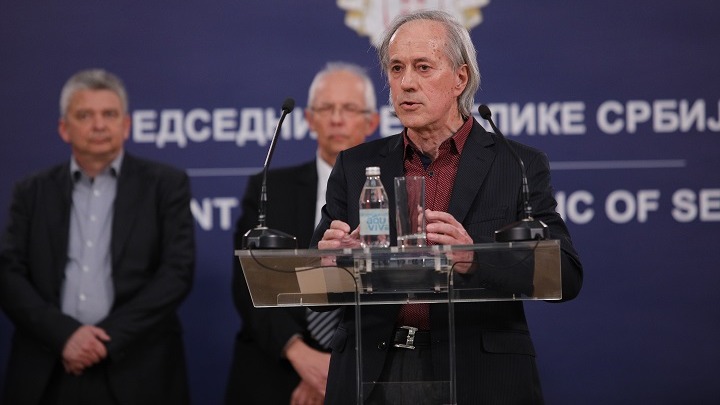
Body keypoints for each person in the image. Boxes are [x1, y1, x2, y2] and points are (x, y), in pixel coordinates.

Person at [312, 10, 584, 405]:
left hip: (478, 375)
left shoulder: (515, 164)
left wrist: (475, 259)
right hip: (372, 374)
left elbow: (565, 275)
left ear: (460, 78)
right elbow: (315, 290)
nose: (406, 82)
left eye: (423, 67)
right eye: (397, 68)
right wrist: (334, 263)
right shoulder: (356, 167)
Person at [0, 69, 195, 405]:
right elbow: (9, 274)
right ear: (64, 128)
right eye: (85, 115)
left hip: (137, 367)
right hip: (49, 366)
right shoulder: (31, 192)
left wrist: (104, 340)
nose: (99, 125)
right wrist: (65, 335)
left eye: (109, 114)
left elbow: (176, 273)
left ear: (126, 125)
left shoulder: (165, 185)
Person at [226, 62, 380, 405]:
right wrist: (301, 356)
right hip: (279, 364)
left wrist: (336, 367)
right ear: (310, 119)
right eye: (326, 108)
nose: (337, 119)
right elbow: (249, 281)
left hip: (366, 365)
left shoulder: (389, 192)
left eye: (349, 108)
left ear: (371, 122)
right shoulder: (269, 188)